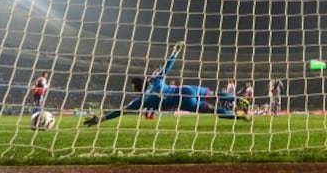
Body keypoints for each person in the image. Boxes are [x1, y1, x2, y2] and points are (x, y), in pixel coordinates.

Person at [84, 42, 249, 126]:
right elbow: (167, 66)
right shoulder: (155, 80)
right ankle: (236, 99)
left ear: (136, 89)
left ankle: (240, 116)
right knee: (213, 94)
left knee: (213, 110)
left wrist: (101, 118)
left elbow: (120, 111)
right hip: (185, 90)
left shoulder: (140, 101)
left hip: (184, 102)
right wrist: (175, 51)